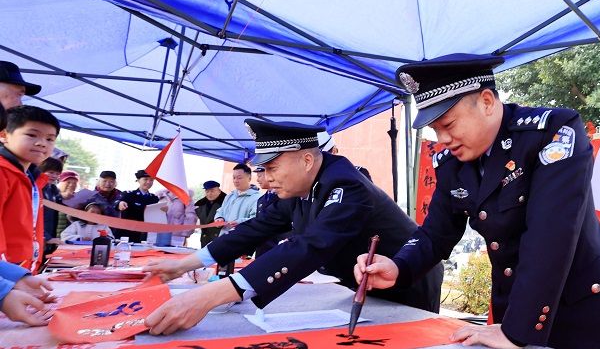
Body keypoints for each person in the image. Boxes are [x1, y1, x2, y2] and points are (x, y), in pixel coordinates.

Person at [354, 53, 600, 349]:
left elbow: (550, 236)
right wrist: (399, 266)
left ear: (487, 102)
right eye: (435, 131)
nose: (443, 139)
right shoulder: (454, 164)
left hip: (583, 316)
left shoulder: (553, 133)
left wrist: (516, 330)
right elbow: (434, 234)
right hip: (515, 319)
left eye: (448, 124)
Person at [143, 119, 444, 335]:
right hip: (362, 282)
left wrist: (209, 296)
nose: (266, 177)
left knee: (402, 346)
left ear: (307, 160)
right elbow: (254, 229)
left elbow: (311, 245)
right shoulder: (298, 189)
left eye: (272, 168)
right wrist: (185, 265)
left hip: (409, 279)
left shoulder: (346, 184)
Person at [0, 105, 59, 270]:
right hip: (7, 276)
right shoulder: (3, 172)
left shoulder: (33, 179)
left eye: (50, 139)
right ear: (4, 135)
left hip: (22, 270)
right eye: (31, 135)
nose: (41, 143)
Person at [214, 163, 261, 235]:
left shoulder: (257, 198)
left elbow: (256, 219)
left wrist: (239, 222)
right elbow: (221, 210)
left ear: (249, 178)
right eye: (234, 177)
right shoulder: (230, 196)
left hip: (241, 239)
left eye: (239, 178)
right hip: (224, 237)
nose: (236, 180)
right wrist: (219, 218)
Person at [117, 170, 160, 243]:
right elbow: (117, 203)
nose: (148, 182)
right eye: (145, 179)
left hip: (146, 234)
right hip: (128, 233)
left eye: (151, 180)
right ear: (138, 180)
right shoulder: (129, 194)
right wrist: (120, 203)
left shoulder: (154, 198)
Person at [252, 166, 285, 257]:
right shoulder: (261, 200)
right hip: (261, 249)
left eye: (260, 176)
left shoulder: (284, 197)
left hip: (277, 249)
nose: (258, 180)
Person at [38, 156, 64, 256]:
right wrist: (47, 238)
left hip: (50, 239)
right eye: (51, 172)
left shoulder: (54, 190)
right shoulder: (36, 189)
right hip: (40, 239)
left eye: (57, 173)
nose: (54, 176)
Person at [194, 180, 227, 247]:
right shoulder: (201, 204)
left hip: (219, 239)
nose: (209, 193)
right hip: (205, 240)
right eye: (207, 191)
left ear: (219, 191)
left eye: (212, 191)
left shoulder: (226, 203)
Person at [56, 170, 80, 235]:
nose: (71, 185)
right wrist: (61, 197)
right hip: (53, 236)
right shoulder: (53, 195)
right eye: (68, 182)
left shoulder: (79, 198)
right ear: (59, 182)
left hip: (71, 236)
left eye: (75, 183)